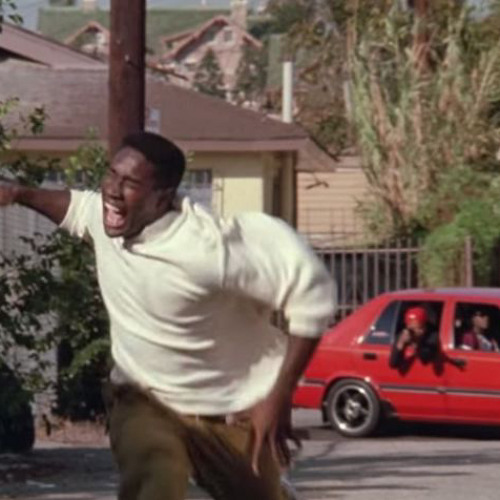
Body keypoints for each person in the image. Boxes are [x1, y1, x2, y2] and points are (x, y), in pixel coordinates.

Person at [0, 131, 335, 500]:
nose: (112, 191)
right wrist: (18, 193)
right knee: (156, 476)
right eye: (111, 175)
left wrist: (279, 393)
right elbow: (76, 207)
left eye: (130, 184)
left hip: (218, 406)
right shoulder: (108, 217)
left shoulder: (206, 251)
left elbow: (312, 295)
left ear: (161, 198)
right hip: (141, 399)